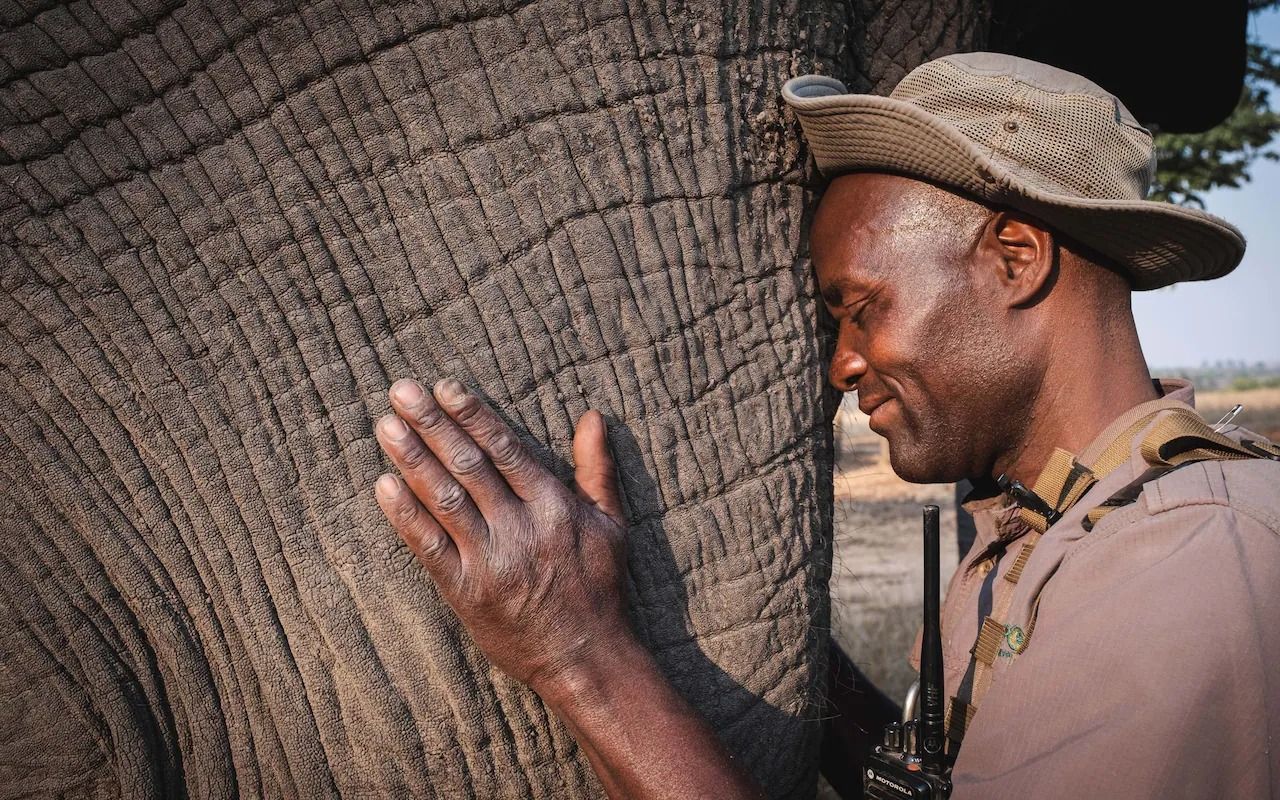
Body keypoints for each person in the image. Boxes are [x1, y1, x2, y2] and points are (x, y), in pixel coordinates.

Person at [368, 53, 1280, 799]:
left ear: (1015, 258)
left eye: (861, 309)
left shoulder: (1187, 557)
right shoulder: (1056, 521)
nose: (841, 365)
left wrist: (580, 657)